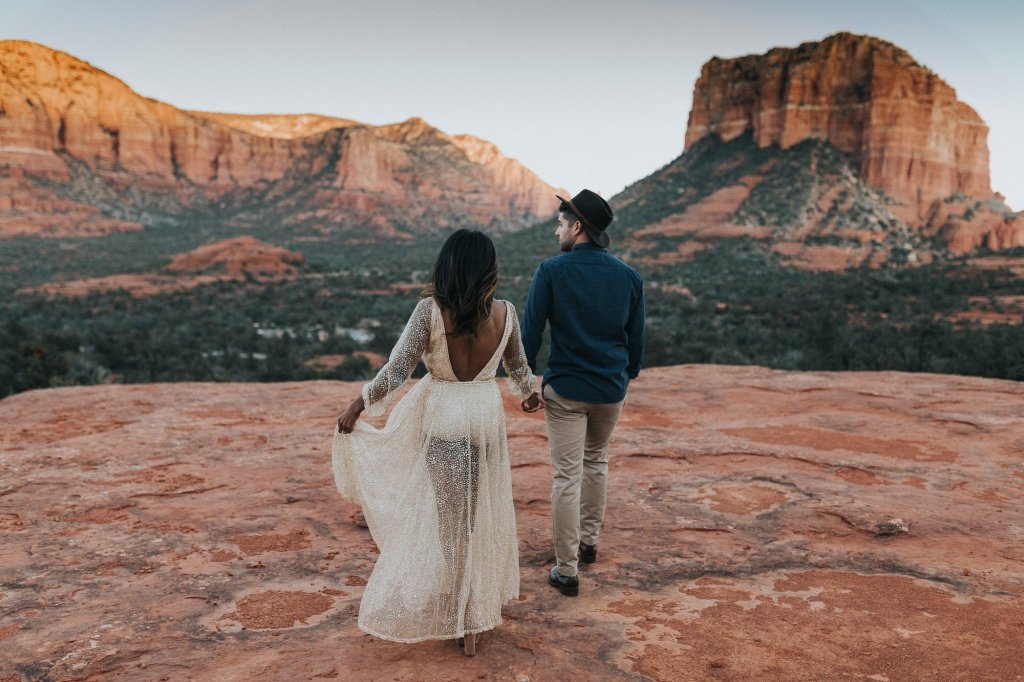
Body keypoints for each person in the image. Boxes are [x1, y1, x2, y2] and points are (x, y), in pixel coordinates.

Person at [332, 229, 540, 656]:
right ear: (488, 270)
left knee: (450, 520)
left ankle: (464, 612)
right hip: (482, 419)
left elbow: (397, 370)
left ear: (447, 266)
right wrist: (530, 395)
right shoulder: (507, 314)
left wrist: (360, 404)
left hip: (444, 417)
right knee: (475, 514)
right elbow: (519, 368)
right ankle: (473, 606)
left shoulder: (430, 311)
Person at [520, 189, 645, 597]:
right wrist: (624, 376)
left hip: (567, 391)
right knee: (597, 462)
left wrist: (526, 384)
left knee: (566, 476)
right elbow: (636, 341)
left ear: (577, 227)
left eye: (560, 224)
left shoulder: (551, 271)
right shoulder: (629, 277)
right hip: (610, 389)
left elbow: (530, 333)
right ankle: (589, 543)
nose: (557, 230)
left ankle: (567, 569)